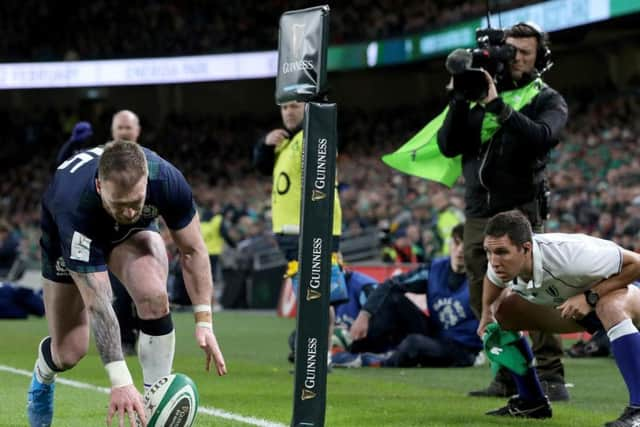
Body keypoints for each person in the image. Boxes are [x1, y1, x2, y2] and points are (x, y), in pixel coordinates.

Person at [28, 140, 226, 427]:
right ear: (99, 187)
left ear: (146, 182)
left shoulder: (167, 180)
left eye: (136, 203)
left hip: (129, 236)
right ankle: (42, 376)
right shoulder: (74, 207)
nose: (130, 213)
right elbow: (98, 303)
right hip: (69, 235)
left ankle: (150, 410)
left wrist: (204, 321)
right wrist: (120, 381)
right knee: (69, 352)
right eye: (121, 205)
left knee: (154, 294)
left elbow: (193, 250)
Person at [437, 22, 569, 400]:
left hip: (522, 206)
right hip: (479, 208)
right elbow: (448, 146)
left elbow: (543, 137)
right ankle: (505, 375)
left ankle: (552, 377)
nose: (517, 59)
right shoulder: (477, 91)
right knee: (485, 295)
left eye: (525, 53)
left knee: (538, 287)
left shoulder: (546, 97)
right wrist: (462, 97)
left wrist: (498, 106)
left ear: (539, 58)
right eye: (511, 51)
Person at [479, 210, 640, 426]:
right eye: (488, 252)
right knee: (505, 312)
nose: (493, 260)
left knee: (608, 306)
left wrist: (590, 297)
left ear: (526, 248)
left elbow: (636, 263)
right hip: (576, 305)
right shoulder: (500, 260)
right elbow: (492, 282)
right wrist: (486, 314)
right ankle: (532, 402)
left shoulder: (572, 255)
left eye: (501, 252)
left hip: (625, 292)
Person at [253, 100, 348, 364]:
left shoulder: (316, 135)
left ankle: (318, 356)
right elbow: (261, 168)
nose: (288, 112)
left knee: (318, 296)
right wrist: (264, 145)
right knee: (313, 295)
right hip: (290, 232)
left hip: (312, 229)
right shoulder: (285, 142)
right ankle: (312, 350)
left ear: (307, 108)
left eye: (294, 106)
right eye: (284, 108)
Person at [337, 223, 482, 368]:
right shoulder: (435, 269)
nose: (461, 250)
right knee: (393, 297)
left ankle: (379, 362)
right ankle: (351, 352)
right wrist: (364, 315)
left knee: (414, 344)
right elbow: (390, 285)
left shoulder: (482, 279)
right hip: (436, 335)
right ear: (450, 244)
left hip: (463, 349)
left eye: (466, 245)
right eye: (457, 243)